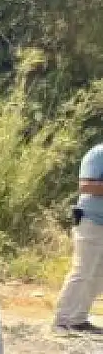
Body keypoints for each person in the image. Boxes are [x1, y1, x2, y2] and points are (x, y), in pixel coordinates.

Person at [55, 142, 103, 333]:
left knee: (98, 275)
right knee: (82, 271)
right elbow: (86, 186)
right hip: (91, 221)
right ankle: (62, 320)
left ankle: (78, 319)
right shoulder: (98, 153)